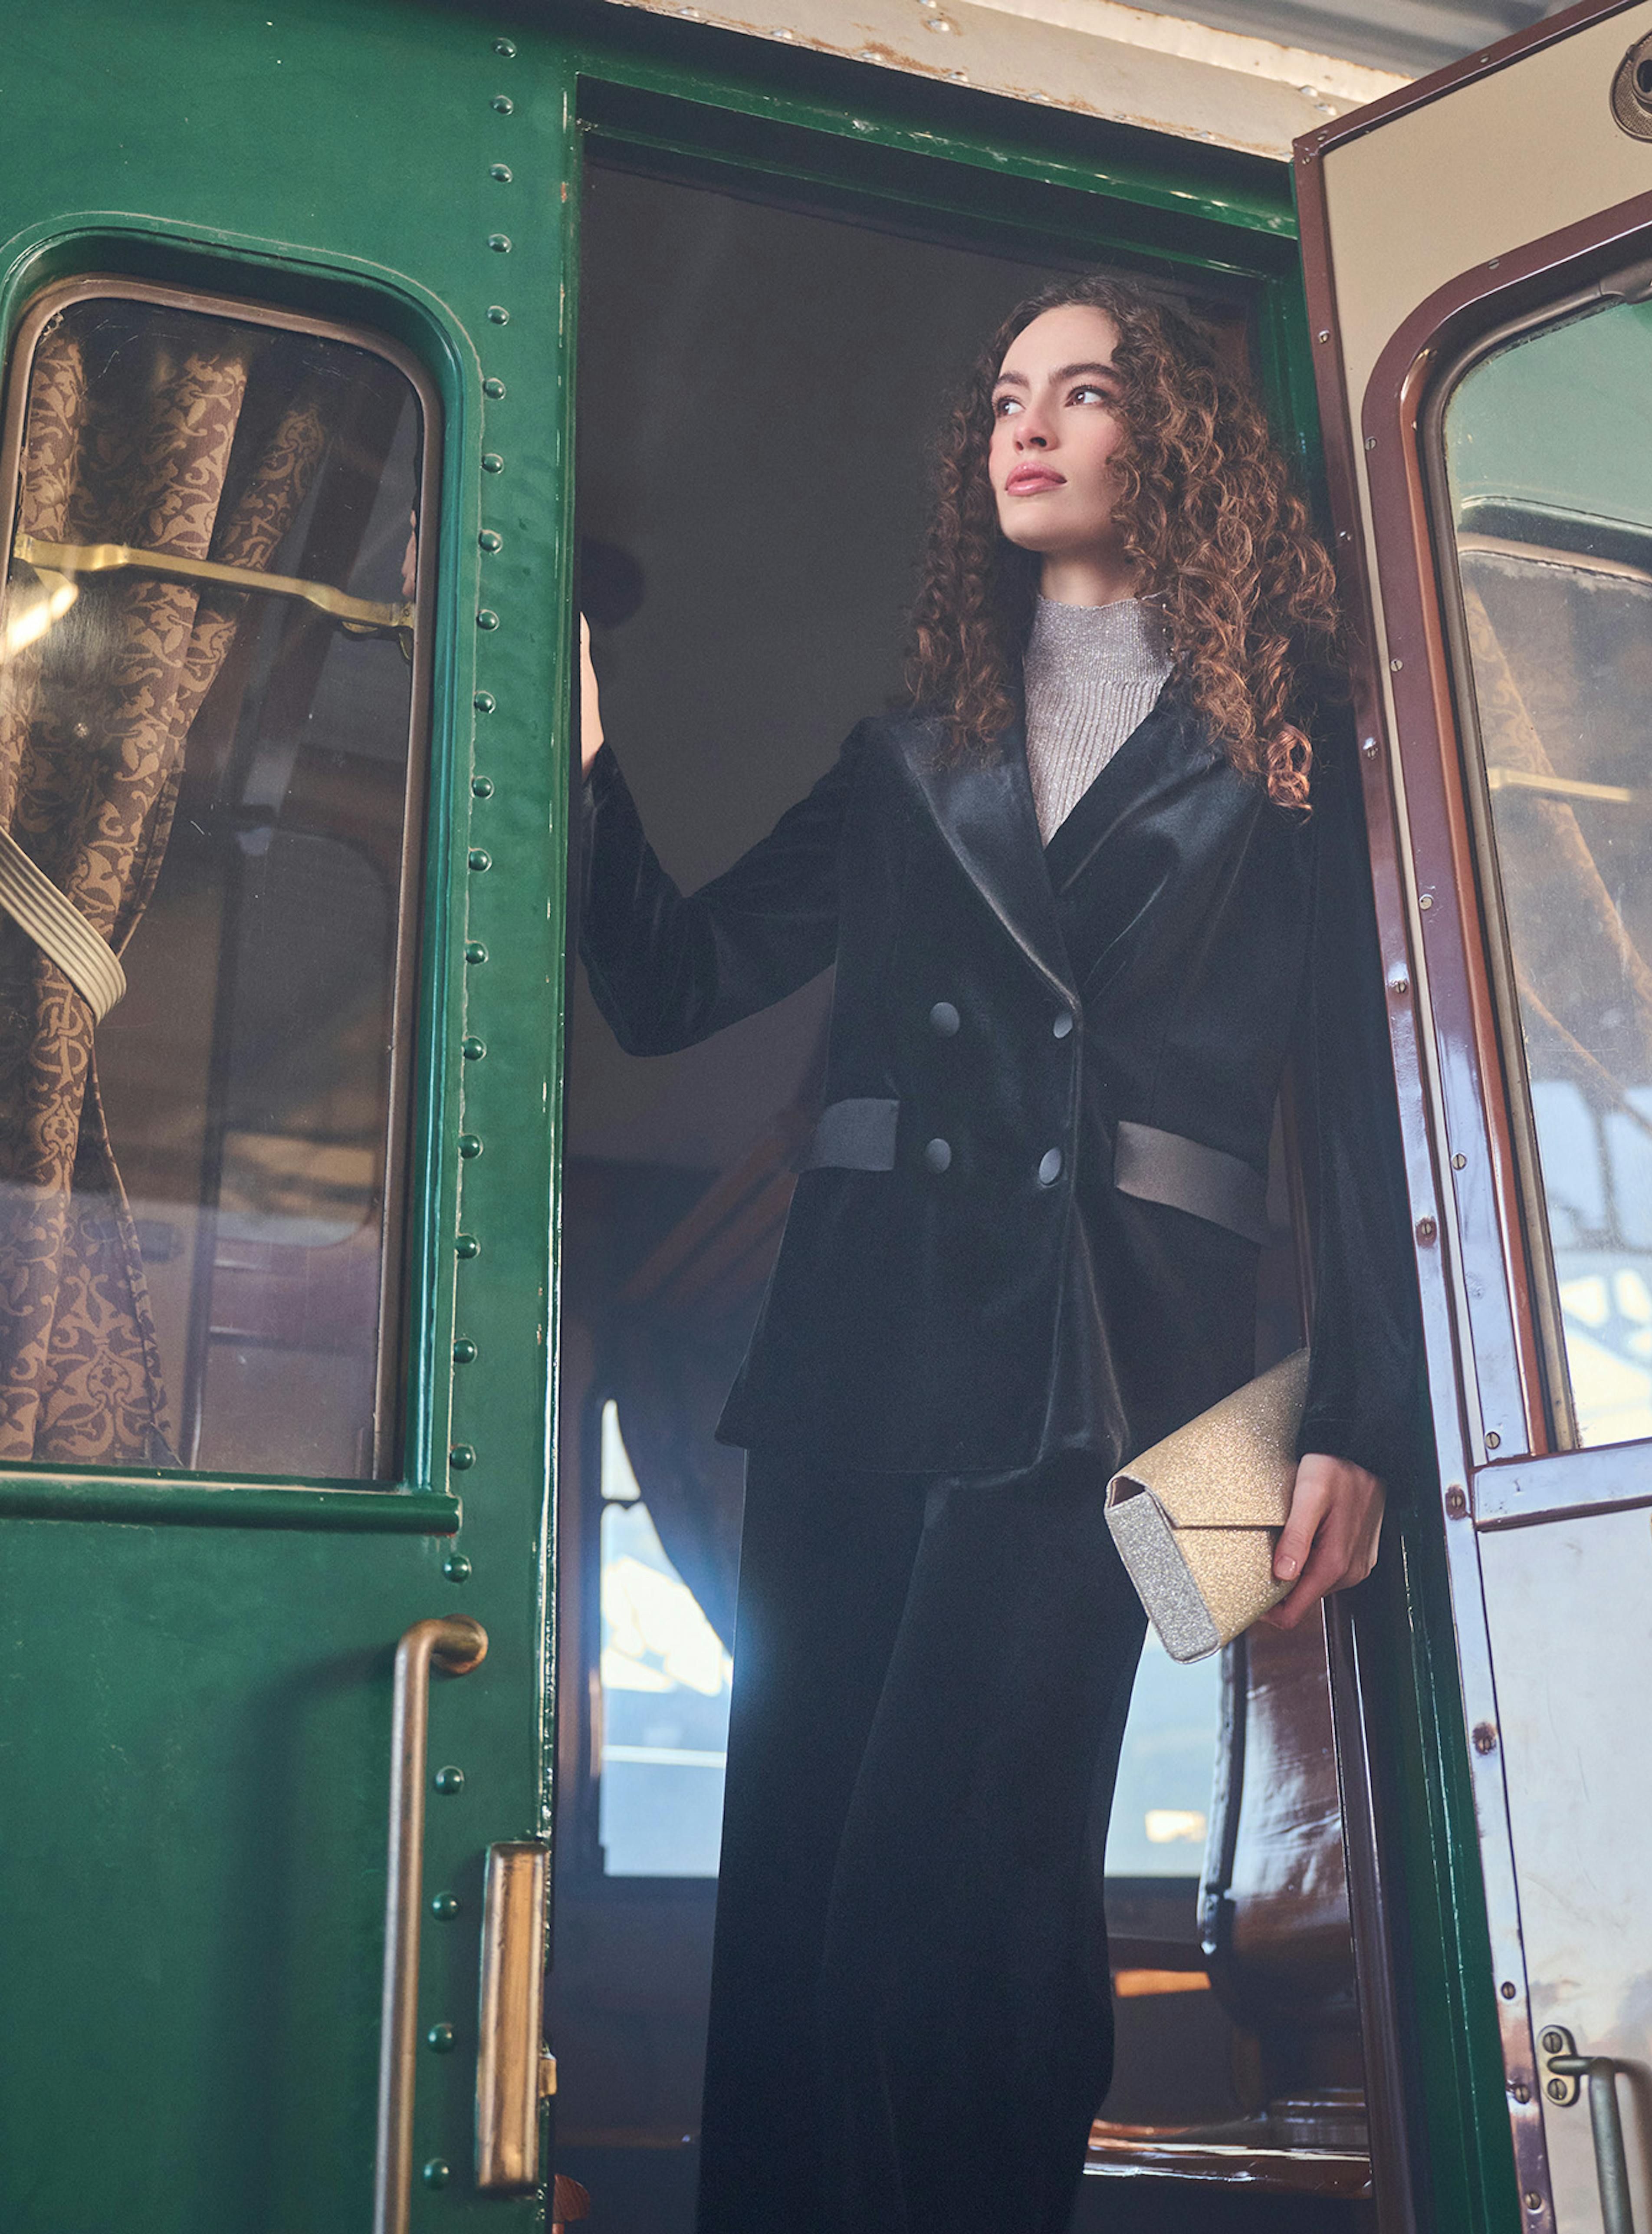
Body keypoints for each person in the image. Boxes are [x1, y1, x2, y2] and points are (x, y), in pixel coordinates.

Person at [574, 276, 1419, 2234]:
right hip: (860, 1363)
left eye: (1087, 391)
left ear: (1173, 439)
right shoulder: (906, 752)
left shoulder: (1300, 749)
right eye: (1009, 399)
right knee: (797, 1904)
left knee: (959, 1893)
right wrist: (583, 755)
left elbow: (1361, 1112)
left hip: (1163, 1391)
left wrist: (1359, 1414)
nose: (1028, 426)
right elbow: (670, 979)